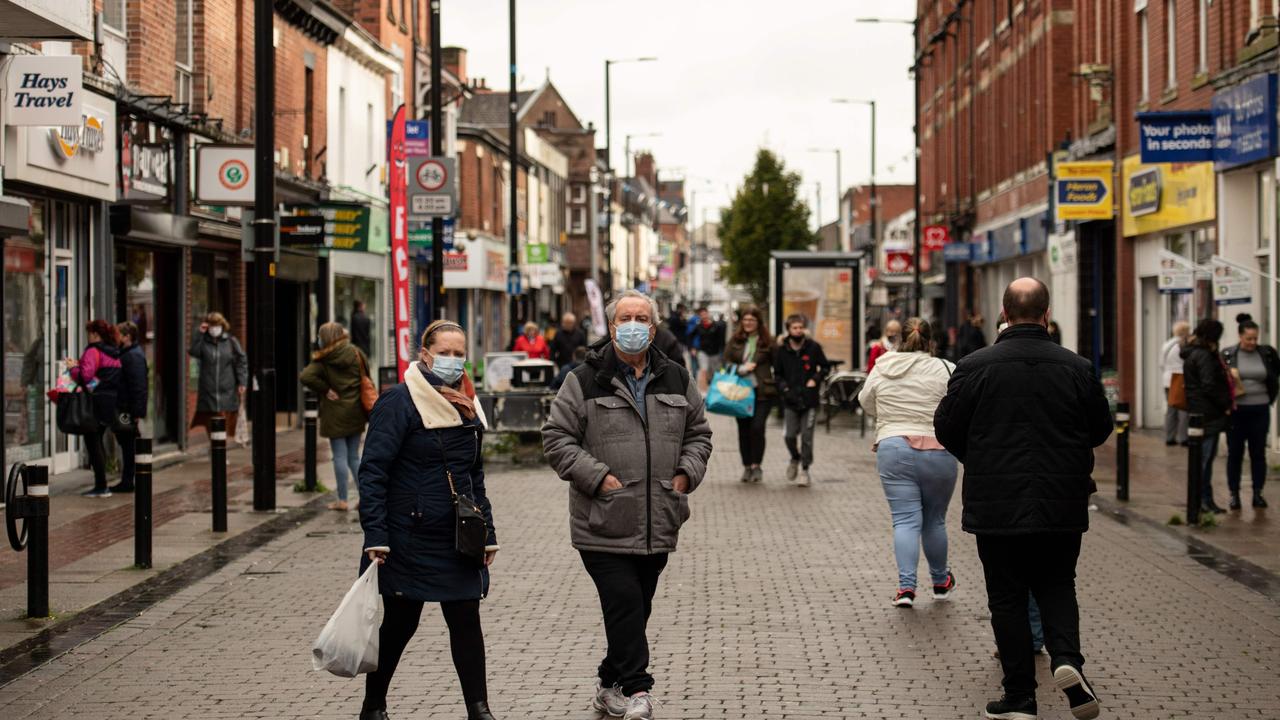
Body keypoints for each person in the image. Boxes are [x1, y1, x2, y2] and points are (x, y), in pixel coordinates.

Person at [934, 278, 1109, 720]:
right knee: (1057, 583)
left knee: (1007, 596)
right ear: (1047, 314)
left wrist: (980, 459)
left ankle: (1020, 696)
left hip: (997, 503)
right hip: (1061, 499)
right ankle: (1067, 659)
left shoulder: (973, 366)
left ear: (1004, 313)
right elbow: (1100, 428)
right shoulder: (1078, 367)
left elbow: (947, 428)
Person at [542, 289, 712, 720]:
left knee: (636, 607)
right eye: (626, 317)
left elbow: (699, 433)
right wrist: (598, 477)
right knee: (624, 601)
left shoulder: (676, 376)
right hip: (603, 519)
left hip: (659, 518)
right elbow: (556, 439)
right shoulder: (583, 379)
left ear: (653, 329)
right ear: (612, 326)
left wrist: (685, 475)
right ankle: (638, 689)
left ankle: (608, 683)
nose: (633, 325)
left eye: (642, 318)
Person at [357, 319, 499, 720]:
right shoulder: (399, 402)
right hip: (408, 536)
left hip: (458, 536)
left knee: (466, 619)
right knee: (400, 624)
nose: (453, 361)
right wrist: (376, 534)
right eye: (445, 352)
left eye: (459, 354)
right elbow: (373, 471)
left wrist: (487, 533)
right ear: (424, 354)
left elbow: (474, 476)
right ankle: (374, 704)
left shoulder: (466, 404)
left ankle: (479, 710)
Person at [857, 318, 958, 608]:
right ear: (931, 341)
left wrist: (886, 416)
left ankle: (906, 588)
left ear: (901, 339)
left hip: (893, 445)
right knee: (935, 520)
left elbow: (865, 401)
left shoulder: (883, 366)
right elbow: (959, 402)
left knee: (905, 520)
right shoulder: (945, 368)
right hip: (938, 447)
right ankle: (940, 582)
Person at [301, 322, 371, 512]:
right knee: (354, 457)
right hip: (355, 410)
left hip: (335, 412)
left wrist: (326, 389)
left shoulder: (324, 358)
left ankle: (342, 500)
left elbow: (305, 376)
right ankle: (365, 497)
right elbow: (368, 377)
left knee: (339, 456)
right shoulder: (356, 353)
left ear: (325, 338)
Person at [1222, 313, 1279, 510]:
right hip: (1237, 410)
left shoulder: (1267, 353)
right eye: (1248, 339)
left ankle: (1257, 493)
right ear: (1240, 337)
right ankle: (1234, 494)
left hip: (1260, 408)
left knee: (1258, 453)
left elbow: (1274, 376)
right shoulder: (1229, 354)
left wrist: (1271, 397)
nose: (1252, 342)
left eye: (1255, 338)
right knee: (1235, 453)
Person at [772, 314, 831, 488]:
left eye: (800, 327)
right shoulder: (782, 350)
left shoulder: (813, 347)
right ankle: (794, 457)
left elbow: (825, 367)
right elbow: (777, 374)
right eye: (794, 328)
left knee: (807, 436)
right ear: (788, 330)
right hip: (790, 400)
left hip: (809, 400)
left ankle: (805, 469)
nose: (798, 330)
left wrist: (816, 378)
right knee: (790, 435)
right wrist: (784, 388)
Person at [67, 320, 122, 498]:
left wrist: (73, 368)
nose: (88, 336)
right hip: (110, 402)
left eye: (89, 333)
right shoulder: (113, 352)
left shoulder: (93, 351)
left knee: (93, 442)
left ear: (95, 334)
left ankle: (101, 485)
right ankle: (102, 482)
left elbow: (85, 376)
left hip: (94, 403)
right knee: (98, 441)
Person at [1182, 318, 1232, 514]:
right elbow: (1209, 385)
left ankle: (1203, 500)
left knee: (1202, 460)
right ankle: (1203, 501)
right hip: (1207, 414)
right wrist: (1226, 404)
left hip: (1199, 411)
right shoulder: (1203, 355)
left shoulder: (1192, 353)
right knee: (1204, 461)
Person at [723, 306, 776, 483]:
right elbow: (725, 363)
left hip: (762, 392)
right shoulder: (735, 340)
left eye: (752, 320)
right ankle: (746, 466)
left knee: (757, 428)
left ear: (759, 322)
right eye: (745, 320)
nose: (748, 323)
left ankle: (756, 465)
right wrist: (740, 368)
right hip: (740, 392)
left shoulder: (768, 342)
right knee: (744, 430)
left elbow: (779, 365)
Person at [188, 312, 248, 440]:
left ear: (222, 325)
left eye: (216, 325)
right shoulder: (203, 342)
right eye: (211, 325)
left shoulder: (231, 341)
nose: (214, 328)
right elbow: (193, 351)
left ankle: (220, 453)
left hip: (227, 390)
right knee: (211, 423)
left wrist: (242, 381)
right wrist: (199, 333)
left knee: (224, 422)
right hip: (208, 391)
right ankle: (216, 451)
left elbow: (241, 360)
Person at [110, 321, 148, 494]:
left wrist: (136, 412)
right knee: (126, 443)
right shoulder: (127, 354)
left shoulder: (132, 356)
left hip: (127, 409)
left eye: (119, 334)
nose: (116, 337)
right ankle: (128, 479)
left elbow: (138, 385)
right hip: (125, 406)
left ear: (127, 337)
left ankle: (128, 480)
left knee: (128, 444)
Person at [1161, 321, 1191, 446]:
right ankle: (1183, 438)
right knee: (1183, 408)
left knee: (1171, 409)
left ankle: (1169, 437)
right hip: (1180, 379)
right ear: (1184, 332)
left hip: (1167, 379)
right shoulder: (1182, 345)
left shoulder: (1166, 344)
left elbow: (1161, 363)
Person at [692, 307, 725, 388]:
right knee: (704, 370)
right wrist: (692, 348)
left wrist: (723, 352)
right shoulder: (698, 326)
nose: (703, 316)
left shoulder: (716, 325)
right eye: (701, 315)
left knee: (715, 372)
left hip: (715, 352)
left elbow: (721, 340)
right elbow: (690, 336)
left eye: (705, 314)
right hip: (703, 351)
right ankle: (705, 392)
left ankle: (714, 387)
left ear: (708, 314)